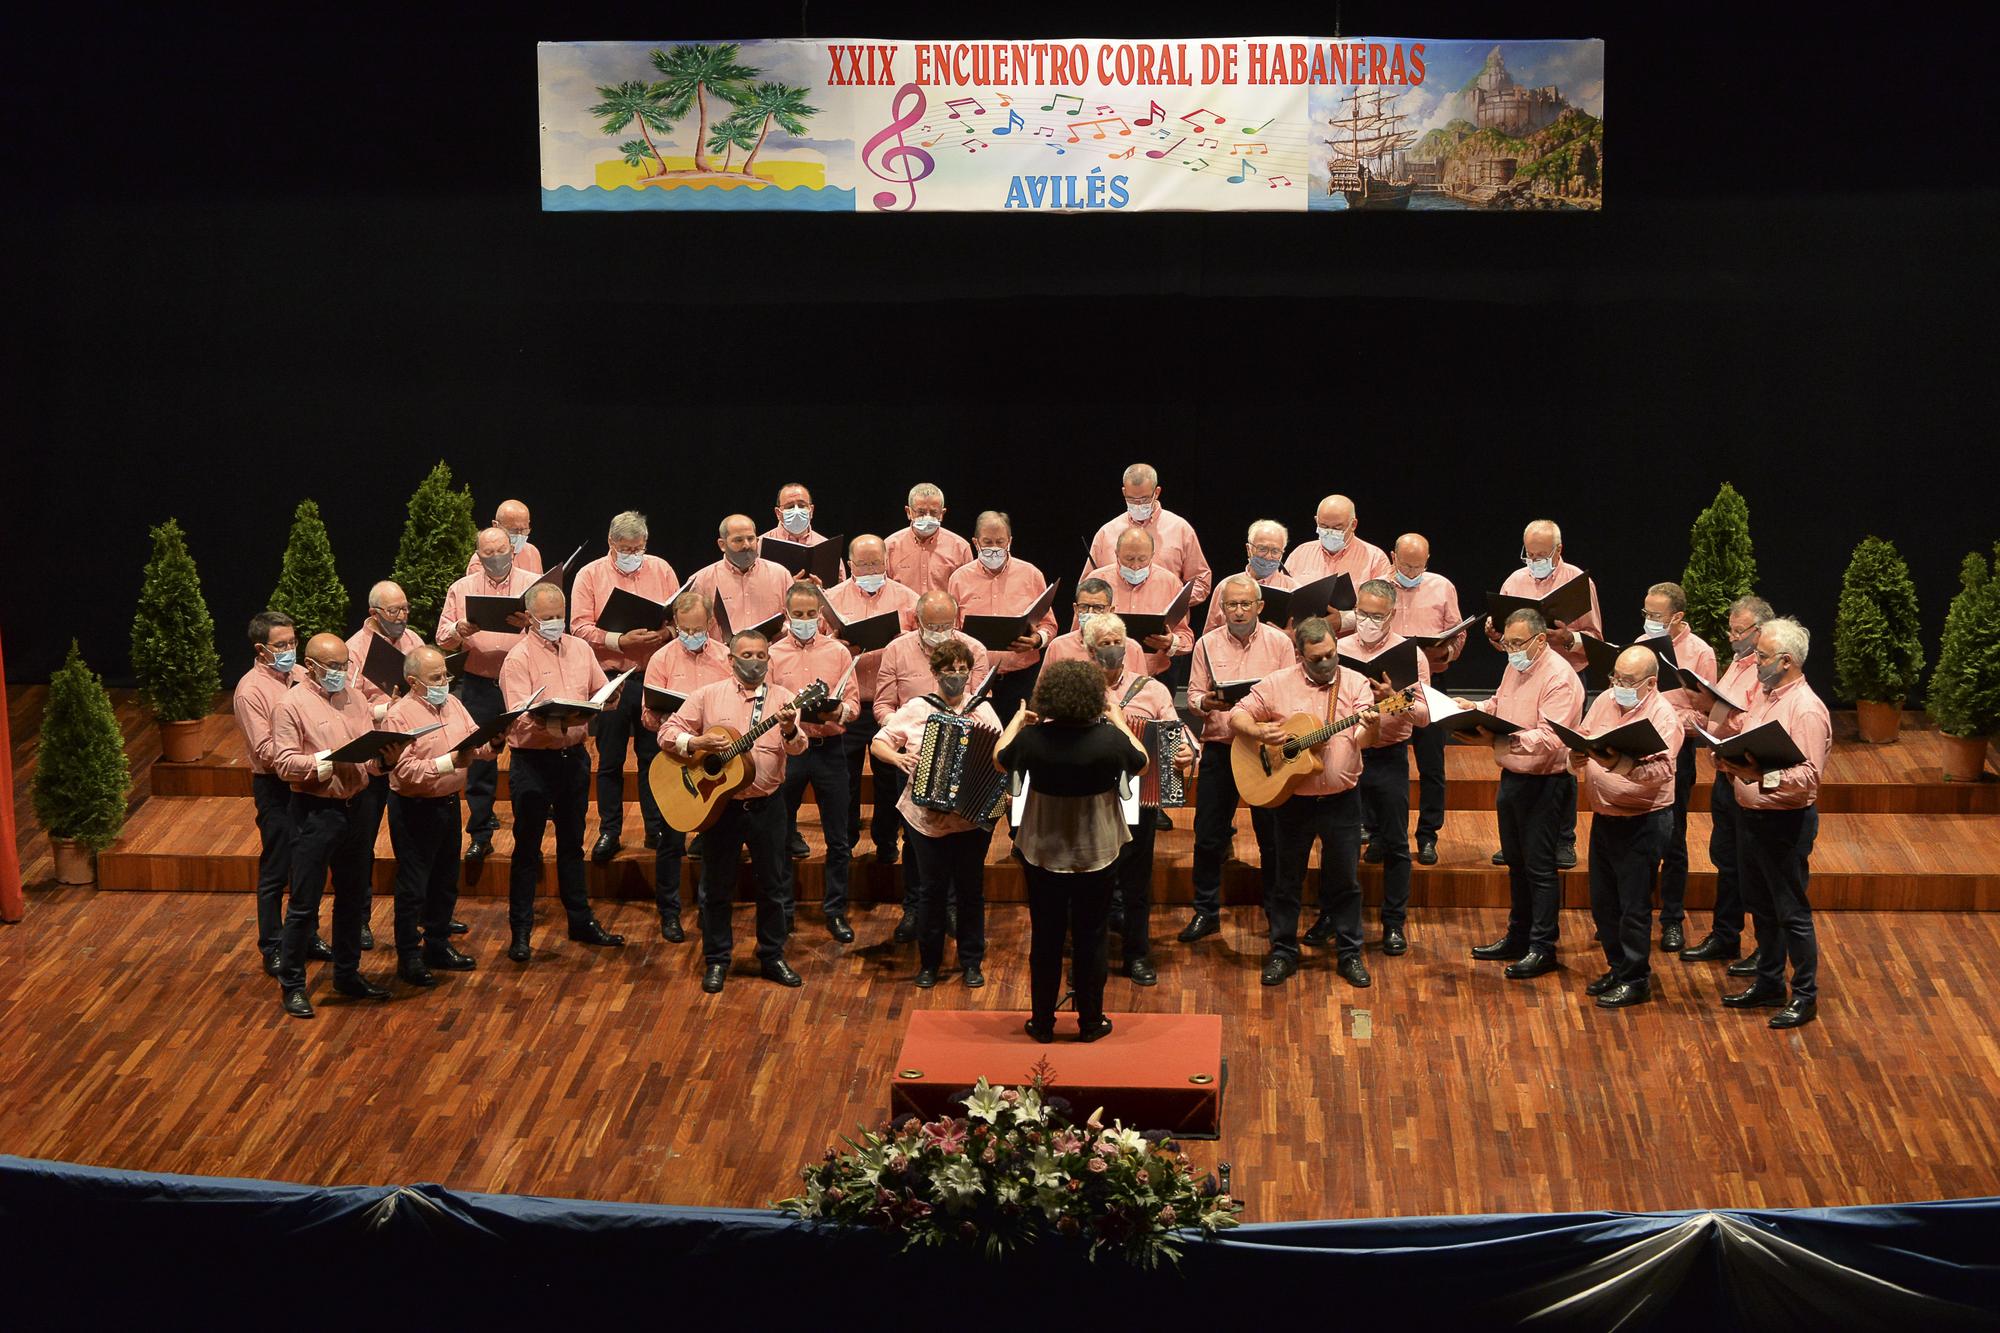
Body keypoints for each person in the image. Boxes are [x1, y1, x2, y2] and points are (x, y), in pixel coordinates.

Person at [995, 660, 1147, 1043]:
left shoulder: (1032, 740)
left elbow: (1000, 757)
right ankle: (1091, 1023)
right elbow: (1141, 762)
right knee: (1091, 936)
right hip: (1096, 849)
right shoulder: (1110, 741)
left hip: (1043, 849)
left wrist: (1017, 720)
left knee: (1045, 936)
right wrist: (1118, 720)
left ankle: (1042, 1024)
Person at [1231, 617, 1380, 988]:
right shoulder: (1277, 683)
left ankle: (1349, 953)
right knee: (1286, 881)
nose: (1327, 663)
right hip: (1292, 801)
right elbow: (1237, 714)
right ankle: (1282, 951)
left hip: (1342, 802)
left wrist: (1371, 724)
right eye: (1317, 658)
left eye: (1331, 655)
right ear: (1300, 656)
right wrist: (1258, 730)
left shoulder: (1356, 683)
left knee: (1344, 880)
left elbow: (1364, 740)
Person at [269, 633, 409, 1018]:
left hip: (358, 807)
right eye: (332, 667)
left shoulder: (356, 698)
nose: (340, 673)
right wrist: (329, 760)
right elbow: (284, 763)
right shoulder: (290, 705)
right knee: (304, 903)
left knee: (352, 898)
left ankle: (347, 974)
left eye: (345, 665)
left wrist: (385, 761)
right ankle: (293, 984)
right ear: (311, 667)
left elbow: (367, 762)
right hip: (315, 813)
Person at [662, 630, 810, 994]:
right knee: (716, 887)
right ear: (731, 659)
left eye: (761, 655)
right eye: (747, 654)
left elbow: (799, 750)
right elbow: (667, 732)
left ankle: (772, 954)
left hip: (767, 806)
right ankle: (716, 959)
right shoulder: (707, 696)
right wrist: (695, 742)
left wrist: (790, 730)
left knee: (773, 885)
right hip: (721, 807)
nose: (755, 661)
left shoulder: (785, 699)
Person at [1709, 617, 1830, 1029]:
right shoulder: (1766, 694)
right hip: (1751, 818)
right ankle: (1769, 983)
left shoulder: (1807, 709)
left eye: (1761, 656)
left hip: (1785, 824)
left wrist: (1760, 775)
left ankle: (1806, 996)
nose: (1754, 660)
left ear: (1785, 661)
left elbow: (1808, 777)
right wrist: (1726, 747)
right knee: (1760, 905)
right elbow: (1750, 732)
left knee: (1791, 912)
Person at [498, 582, 627, 963]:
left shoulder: (580, 648)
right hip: (533, 763)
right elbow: (519, 720)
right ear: (532, 618)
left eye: (560, 615)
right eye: (548, 617)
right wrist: (557, 720)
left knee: (573, 844)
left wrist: (610, 698)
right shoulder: (517, 659)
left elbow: (599, 691)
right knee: (527, 850)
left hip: (573, 758)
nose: (556, 622)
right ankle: (520, 931)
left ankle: (580, 920)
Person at [1458, 609, 1585, 980]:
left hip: (1546, 784)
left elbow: (1550, 739)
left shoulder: (1560, 679)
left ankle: (1542, 947)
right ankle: (1518, 936)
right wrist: (1473, 709)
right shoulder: (1516, 666)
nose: (1509, 649)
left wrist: (1496, 738)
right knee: (1516, 862)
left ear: (1540, 640)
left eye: (1516, 643)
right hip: (1513, 777)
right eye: (1507, 642)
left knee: (1540, 869)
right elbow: (1499, 704)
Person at [874, 639, 1003, 988]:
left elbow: (1000, 752)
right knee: (931, 891)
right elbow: (879, 742)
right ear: (935, 673)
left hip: (971, 818)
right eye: (949, 670)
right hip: (925, 818)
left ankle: (971, 961)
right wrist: (898, 758)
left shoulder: (982, 710)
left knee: (970, 890)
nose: (957, 676)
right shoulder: (918, 707)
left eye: (963, 670)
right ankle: (929, 963)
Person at [1569, 644, 1683, 1009]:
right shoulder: (1605, 699)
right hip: (1606, 817)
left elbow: (1662, 770)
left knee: (1633, 906)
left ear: (1651, 683)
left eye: (1628, 680)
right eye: (1615, 677)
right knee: (1604, 903)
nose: (1619, 684)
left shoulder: (1665, 716)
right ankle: (1617, 967)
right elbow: (1586, 734)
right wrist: (1578, 752)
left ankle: (1636, 980)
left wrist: (1619, 763)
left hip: (1644, 822)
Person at [873, 591, 991, 942]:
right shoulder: (897, 648)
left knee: (959, 838)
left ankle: (951, 908)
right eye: (932, 625)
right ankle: (915, 908)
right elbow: (882, 704)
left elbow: (981, 705)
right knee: (915, 839)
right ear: (917, 621)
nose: (939, 630)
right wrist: (906, 731)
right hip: (912, 760)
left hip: (962, 763)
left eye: (946, 625)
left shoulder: (974, 649)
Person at [1487, 520, 1602, 871]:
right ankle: (1516, 837)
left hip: (1563, 678)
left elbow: (1595, 640)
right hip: (1523, 677)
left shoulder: (1579, 583)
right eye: (1529, 554)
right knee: (1517, 743)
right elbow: (1505, 642)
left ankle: (1563, 838)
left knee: (1560, 753)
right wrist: (1495, 634)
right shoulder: (1514, 581)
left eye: (1541, 554)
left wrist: (1566, 638)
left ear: (1558, 551)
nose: (1534, 560)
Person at [1084, 612, 1192, 986]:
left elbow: (1179, 733)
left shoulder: (1152, 689)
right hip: (1088, 798)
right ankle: (1088, 955)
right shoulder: (1074, 687)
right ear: (1089, 649)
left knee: (1135, 881)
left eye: (1118, 642)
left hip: (1137, 798)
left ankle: (1137, 953)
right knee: (1090, 881)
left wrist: (1185, 751)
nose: (1113, 649)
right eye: (1105, 643)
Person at [568, 511, 681, 865]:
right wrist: (620, 640)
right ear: (611, 544)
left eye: (639, 547)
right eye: (626, 547)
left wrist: (665, 633)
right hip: (611, 679)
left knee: (654, 758)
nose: (634, 552)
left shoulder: (661, 569)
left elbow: (678, 618)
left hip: (652, 679)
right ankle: (610, 830)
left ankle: (655, 826)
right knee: (611, 760)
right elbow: (578, 628)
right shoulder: (590, 574)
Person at [1183, 575, 1291, 944]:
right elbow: (1195, 695)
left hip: (1265, 750)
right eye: (1232, 604)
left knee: (1271, 836)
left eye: (1246, 604)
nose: (1239, 610)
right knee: (1209, 835)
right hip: (1221, 746)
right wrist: (1205, 703)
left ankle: (1277, 911)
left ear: (1260, 606)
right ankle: (1206, 911)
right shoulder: (1206, 644)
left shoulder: (1280, 643)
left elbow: (1291, 697)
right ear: (1222, 608)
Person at [381, 646, 492, 987]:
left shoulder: (453, 704)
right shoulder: (398, 717)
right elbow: (403, 771)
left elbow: (473, 743)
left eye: (445, 675)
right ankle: (409, 957)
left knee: (445, 880)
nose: (444, 682)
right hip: (414, 809)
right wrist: (450, 763)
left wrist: (494, 742)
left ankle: (438, 945)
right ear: (413, 682)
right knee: (414, 887)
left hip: (447, 803)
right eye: (435, 678)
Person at [1678, 595, 1776, 967]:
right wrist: (1702, 722)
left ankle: (1766, 949)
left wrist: (1710, 709)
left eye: (1740, 631)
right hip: (1725, 774)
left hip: (1749, 776)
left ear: (1760, 631)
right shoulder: (1737, 663)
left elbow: (1753, 724)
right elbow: (1726, 714)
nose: (1733, 637)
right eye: (1731, 630)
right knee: (1726, 859)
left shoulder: (1765, 673)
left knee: (1752, 866)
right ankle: (1725, 935)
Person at [232, 611, 328, 976]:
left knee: (311, 865)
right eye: (282, 645)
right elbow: (265, 752)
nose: (290, 650)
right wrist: (312, 758)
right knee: (277, 869)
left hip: (309, 779)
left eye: (293, 642)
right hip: (276, 787)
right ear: (261, 649)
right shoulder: (250, 692)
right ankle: (272, 945)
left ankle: (307, 935)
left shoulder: (302, 675)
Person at [1343, 579, 1433, 956]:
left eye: (1376, 616)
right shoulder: (1340, 648)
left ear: (1392, 615)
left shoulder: (1411, 656)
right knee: (1341, 844)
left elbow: (1426, 718)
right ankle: (1336, 919)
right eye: (1362, 613)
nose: (1367, 621)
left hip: (1390, 757)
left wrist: (1393, 700)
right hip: (1347, 753)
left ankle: (1393, 924)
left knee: (1396, 845)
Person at [638, 588, 734, 941]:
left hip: (713, 762)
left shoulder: (726, 657)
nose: (691, 636)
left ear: (710, 623)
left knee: (715, 842)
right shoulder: (661, 659)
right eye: (684, 629)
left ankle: (711, 910)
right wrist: (668, 715)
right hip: (676, 761)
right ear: (674, 624)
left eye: (697, 629)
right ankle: (670, 912)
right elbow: (648, 718)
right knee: (671, 841)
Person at [436, 526, 536, 860]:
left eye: (501, 551)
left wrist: (530, 623)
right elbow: (442, 638)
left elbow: (554, 631)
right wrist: (458, 629)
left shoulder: (532, 584)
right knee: (479, 761)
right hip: (479, 682)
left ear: (513, 549)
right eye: (487, 553)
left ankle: (529, 839)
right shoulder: (461, 588)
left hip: (521, 681)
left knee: (527, 758)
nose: (495, 558)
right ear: (478, 556)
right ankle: (480, 832)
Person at [770, 582, 860, 941]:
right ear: (787, 615)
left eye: (811, 615)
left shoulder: (837, 652)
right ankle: (784, 911)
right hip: (790, 750)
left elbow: (852, 705)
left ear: (820, 616)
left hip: (829, 750)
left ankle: (835, 911)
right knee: (780, 835)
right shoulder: (773, 654)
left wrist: (840, 710)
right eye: (799, 615)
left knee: (838, 838)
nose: (805, 620)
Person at [824, 535, 921, 866]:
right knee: (845, 781)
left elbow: (921, 645)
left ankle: (886, 841)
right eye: (863, 564)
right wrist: (836, 643)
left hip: (890, 705)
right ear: (851, 565)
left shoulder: (908, 598)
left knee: (888, 781)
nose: (870, 569)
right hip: (849, 705)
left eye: (876, 563)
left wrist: (902, 641)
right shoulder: (832, 600)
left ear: (886, 562)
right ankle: (846, 841)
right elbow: (820, 644)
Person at [344, 579, 426, 948]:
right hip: (375, 752)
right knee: (362, 844)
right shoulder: (354, 650)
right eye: (394, 611)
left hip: (411, 751)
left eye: (405, 608)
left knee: (416, 839)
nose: (402, 616)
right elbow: (345, 705)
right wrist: (384, 708)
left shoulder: (413, 643)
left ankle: (425, 911)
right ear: (374, 614)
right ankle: (359, 920)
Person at [1640, 581, 1717, 955]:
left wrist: (1665, 714)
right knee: (1637, 836)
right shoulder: (1642, 645)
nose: (1649, 621)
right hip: (1640, 746)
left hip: (1678, 752)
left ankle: (1671, 919)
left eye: (1656, 616)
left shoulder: (1700, 652)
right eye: (1647, 614)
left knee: (1673, 837)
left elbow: (1706, 714)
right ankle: (1634, 913)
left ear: (1678, 617)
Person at [1385, 533, 1464, 865]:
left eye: (1419, 566)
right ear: (1393, 557)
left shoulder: (1442, 586)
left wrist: (1445, 650)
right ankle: (1383, 834)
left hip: (1430, 681)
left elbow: (1458, 632)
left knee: (1432, 763)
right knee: (1386, 759)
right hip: (1387, 683)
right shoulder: (1376, 586)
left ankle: (1428, 835)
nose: (1412, 571)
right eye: (1406, 565)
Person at [947, 510, 1056, 722]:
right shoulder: (959, 578)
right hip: (974, 677)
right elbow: (952, 628)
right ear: (976, 542)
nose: (994, 548)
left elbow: (1048, 624)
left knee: (1019, 740)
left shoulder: (1031, 574)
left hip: (1022, 676)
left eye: (1000, 542)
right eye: (988, 542)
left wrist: (1036, 640)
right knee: (979, 742)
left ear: (1010, 541)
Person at [1082, 462, 1213, 610]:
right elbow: (1086, 587)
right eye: (1131, 499)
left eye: (1144, 499)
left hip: (1160, 627)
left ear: (1156, 492)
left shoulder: (1180, 529)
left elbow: (1201, 582)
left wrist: (1172, 601)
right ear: (1124, 492)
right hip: (1113, 626)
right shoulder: (1106, 533)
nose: (1138, 504)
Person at [1089, 527, 1194, 680]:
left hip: (1155, 676)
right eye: (1129, 559)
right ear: (1116, 554)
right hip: (1101, 674)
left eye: (1142, 559)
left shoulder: (1170, 582)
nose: (1136, 566)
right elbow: (1078, 632)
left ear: (1152, 555)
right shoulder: (1097, 579)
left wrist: (1170, 642)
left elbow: (1185, 636)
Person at [1282, 495, 1391, 634]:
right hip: (1303, 643)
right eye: (1324, 526)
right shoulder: (1300, 553)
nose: (1330, 532)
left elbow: (1383, 609)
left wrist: (1344, 620)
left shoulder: (1375, 558)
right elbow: (1284, 595)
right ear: (1316, 521)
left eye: (1337, 528)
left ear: (1353, 525)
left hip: (1351, 645)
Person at [688, 514, 792, 636]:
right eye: (738, 540)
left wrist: (785, 629)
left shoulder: (780, 575)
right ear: (722, 544)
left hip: (771, 652)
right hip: (722, 654)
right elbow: (689, 626)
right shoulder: (702, 581)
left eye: (751, 539)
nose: (746, 545)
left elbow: (794, 617)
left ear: (757, 540)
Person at [1202, 520, 1295, 634]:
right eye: (1262, 549)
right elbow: (1209, 636)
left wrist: (1293, 638)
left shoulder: (1293, 588)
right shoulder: (1225, 586)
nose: (1268, 556)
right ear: (1248, 549)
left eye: (1275, 551)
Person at [1043, 579, 1146, 676]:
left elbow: (1143, 692)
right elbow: (1044, 692)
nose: (1090, 613)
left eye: (1098, 608)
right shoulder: (1058, 647)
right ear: (1076, 609)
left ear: (1111, 611)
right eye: (1084, 607)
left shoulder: (1132, 649)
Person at [885, 483, 973, 596]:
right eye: (921, 512)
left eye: (933, 512)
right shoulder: (889, 547)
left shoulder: (960, 548)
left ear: (942, 513)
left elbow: (967, 593)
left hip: (944, 613)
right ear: (908, 512)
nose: (927, 517)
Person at [465, 499, 543, 576]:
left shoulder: (532, 552)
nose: (519, 535)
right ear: (496, 525)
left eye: (524, 530)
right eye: (513, 530)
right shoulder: (481, 562)